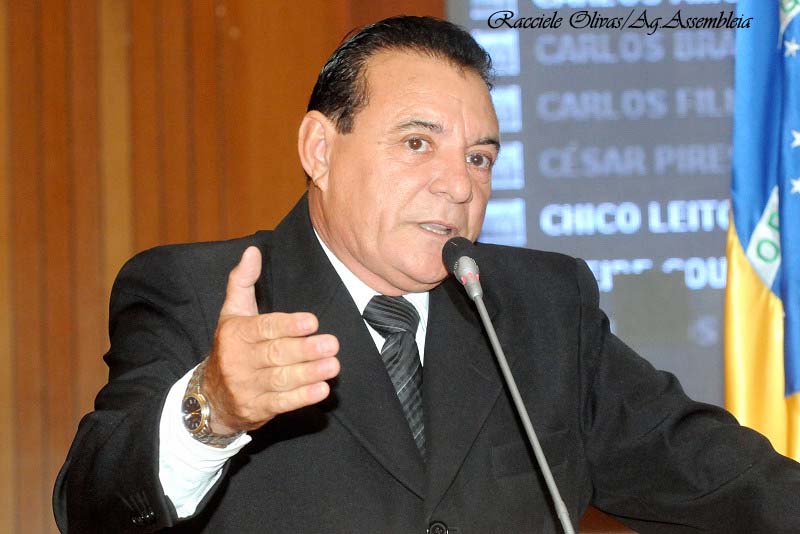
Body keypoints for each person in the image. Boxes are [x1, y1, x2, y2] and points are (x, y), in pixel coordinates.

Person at [54, 16, 800, 533]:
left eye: (479, 157)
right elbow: (90, 510)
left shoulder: (542, 306)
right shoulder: (194, 292)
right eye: (418, 143)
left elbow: (714, 477)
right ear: (320, 149)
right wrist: (210, 410)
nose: (459, 184)